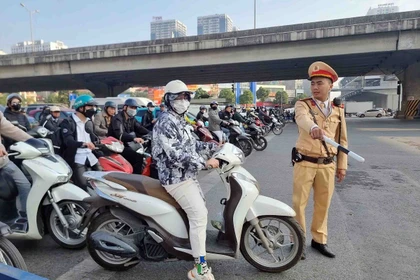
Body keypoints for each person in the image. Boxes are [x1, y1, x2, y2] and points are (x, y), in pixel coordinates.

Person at [152, 80, 218, 280]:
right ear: (168, 99)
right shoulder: (166, 121)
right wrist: (206, 164)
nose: (182, 101)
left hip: (186, 175)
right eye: (177, 97)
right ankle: (199, 269)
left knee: (199, 213)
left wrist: (216, 147)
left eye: (185, 97)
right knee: (199, 216)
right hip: (175, 177)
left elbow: (193, 146)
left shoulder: (180, 120)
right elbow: (176, 154)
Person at [292, 61, 348, 260]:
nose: (315, 87)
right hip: (305, 162)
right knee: (299, 204)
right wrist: (312, 128)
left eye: (319, 83)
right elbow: (302, 119)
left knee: (323, 204)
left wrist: (341, 165)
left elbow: (342, 140)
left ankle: (319, 240)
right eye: (313, 83)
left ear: (330, 85)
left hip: (327, 164)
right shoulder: (303, 104)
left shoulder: (338, 110)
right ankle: (298, 243)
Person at [60, 95, 102, 191]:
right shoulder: (68, 122)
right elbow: (68, 141)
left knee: (102, 180)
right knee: (82, 186)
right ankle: (82, 205)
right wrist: (83, 144)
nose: (93, 109)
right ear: (81, 107)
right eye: (90, 106)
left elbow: (94, 137)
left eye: (94, 107)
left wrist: (101, 142)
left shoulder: (89, 122)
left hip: (90, 155)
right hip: (77, 157)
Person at [0, 110, 32, 226]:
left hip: (3, 162)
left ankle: (25, 216)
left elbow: (12, 129)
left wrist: (32, 140)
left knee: (24, 185)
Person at [108, 98, 149, 174]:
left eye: (135, 108)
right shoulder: (117, 118)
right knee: (138, 157)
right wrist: (134, 138)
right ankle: (136, 178)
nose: (133, 109)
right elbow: (120, 135)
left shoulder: (131, 119)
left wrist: (151, 133)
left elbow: (139, 127)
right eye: (132, 107)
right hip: (116, 146)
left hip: (126, 144)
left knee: (141, 154)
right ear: (125, 107)